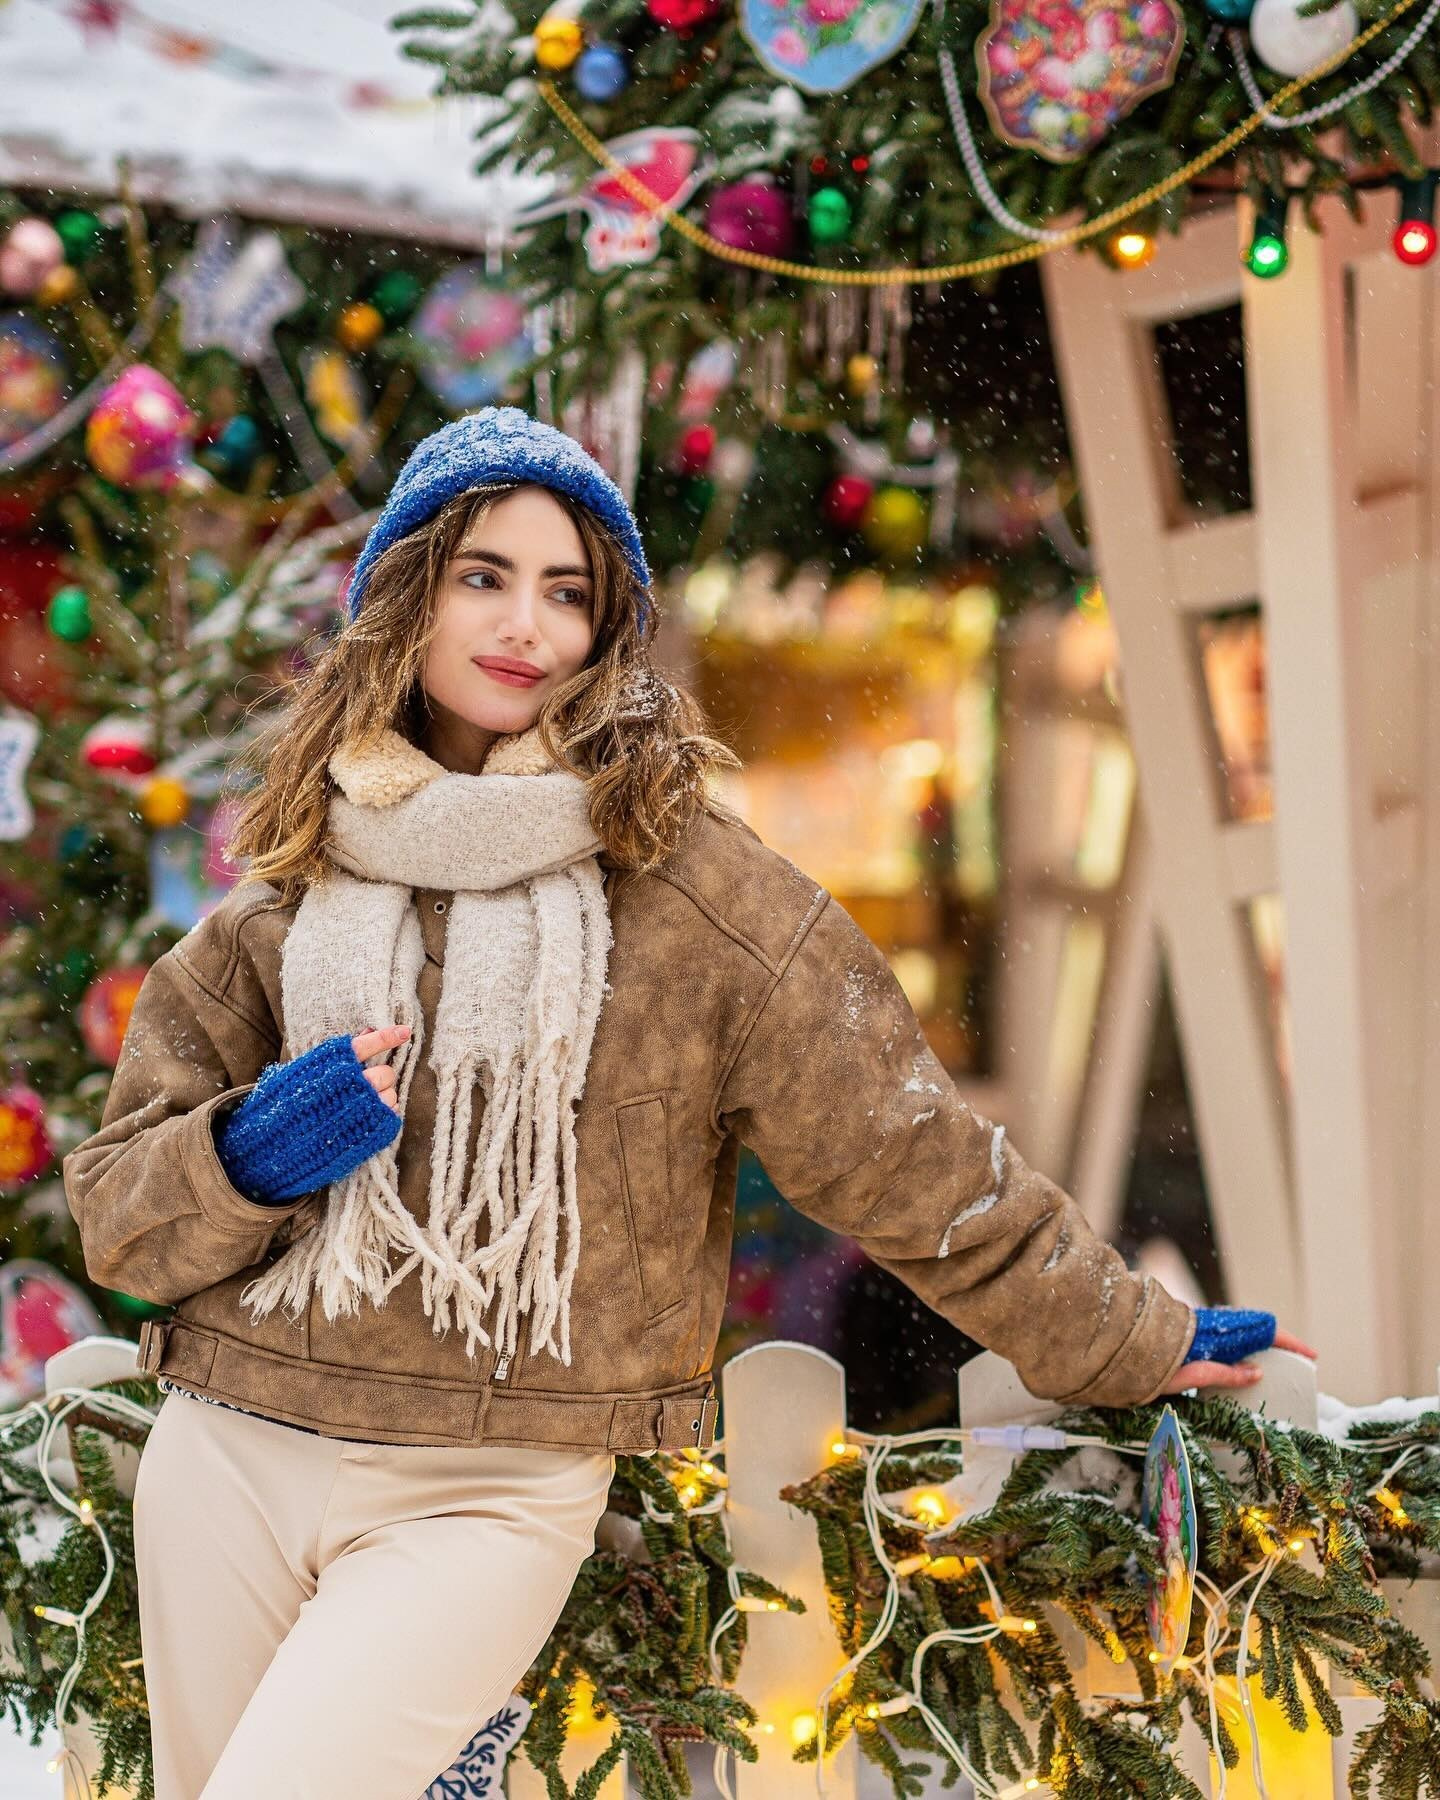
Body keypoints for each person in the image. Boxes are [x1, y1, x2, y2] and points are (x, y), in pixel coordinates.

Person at [62, 407, 1315, 1800]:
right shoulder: (294, 893)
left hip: (489, 1488)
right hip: (235, 1451)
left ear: (612, 631)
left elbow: (910, 1159)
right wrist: (249, 1153)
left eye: (567, 590)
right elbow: (121, 1224)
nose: (523, 624)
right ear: (407, 597)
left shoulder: (699, 900)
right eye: (483, 575)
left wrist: (1134, 1332)